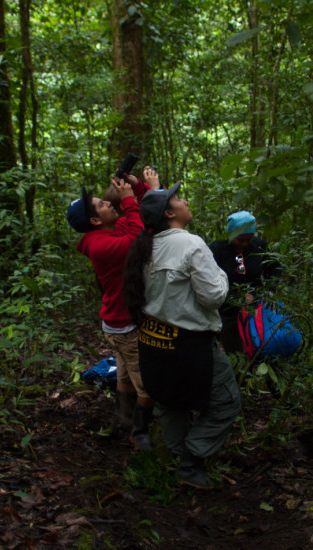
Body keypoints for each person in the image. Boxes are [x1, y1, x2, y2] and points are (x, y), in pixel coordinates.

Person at [123, 182, 241, 489]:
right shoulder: (191, 244)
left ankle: (176, 454)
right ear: (170, 212)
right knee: (226, 402)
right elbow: (214, 296)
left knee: (169, 401)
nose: (185, 200)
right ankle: (190, 460)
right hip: (190, 345)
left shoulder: (145, 246)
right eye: (178, 198)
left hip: (153, 342)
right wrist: (223, 276)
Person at [66, 169, 159, 450]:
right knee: (146, 384)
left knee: (124, 375)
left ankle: (124, 421)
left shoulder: (105, 234)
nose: (110, 203)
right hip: (125, 326)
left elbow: (141, 218)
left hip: (116, 323)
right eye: (103, 204)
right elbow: (137, 237)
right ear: (95, 220)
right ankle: (140, 434)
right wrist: (129, 199)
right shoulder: (102, 246)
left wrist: (139, 189)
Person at [209, 211, 281, 355]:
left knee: (260, 348)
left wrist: (268, 291)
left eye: (249, 239)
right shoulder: (217, 249)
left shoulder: (260, 247)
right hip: (228, 312)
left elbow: (275, 268)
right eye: (240, 240)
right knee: (235, 353)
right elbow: (209, 280)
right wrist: (236, 295)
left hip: (257, 310)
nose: (244, 244)